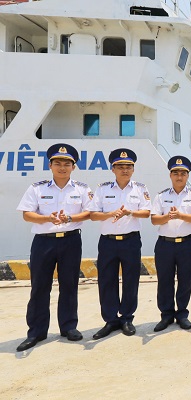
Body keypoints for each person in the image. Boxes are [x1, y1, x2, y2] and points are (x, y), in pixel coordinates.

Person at [15, 144, 92, 351]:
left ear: (73, 167)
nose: (62, 167)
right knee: (40, 286)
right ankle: (36, 332)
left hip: (71, 241)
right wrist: (46, 218)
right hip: (44, 241)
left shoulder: (82, 189)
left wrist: (70, 218)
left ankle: (69, 327)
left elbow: (90, 212)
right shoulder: (37, 188)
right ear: (50, 165)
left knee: (69, 285)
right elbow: (27, 214)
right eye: (57, 163)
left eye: (67, 164)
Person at [88, 148, 151, 339]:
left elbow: (147, 212)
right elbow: (93, 214)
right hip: (108, 242)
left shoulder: (140, 189)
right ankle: (110, 320)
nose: (125, 170)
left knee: (131, 280)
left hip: (131, 241)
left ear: (133, 169)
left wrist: (129, 212)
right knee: (107, 280)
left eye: (128, 167)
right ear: (113, 169)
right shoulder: (102, 189)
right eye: (120, 166)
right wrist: (110, 214)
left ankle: (126, 318)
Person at [151, 156, 191, 332]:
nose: (179, 176)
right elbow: (154, 220)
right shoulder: (161, 196)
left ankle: (182, 314)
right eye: (175, 173)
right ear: (170, 175)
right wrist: (168, 217)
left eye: (183, 173)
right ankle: (166, 315)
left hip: (187, 244)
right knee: (164, 281)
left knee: (185, 280)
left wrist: (180, 216)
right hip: (165, 245)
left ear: (187, 175)